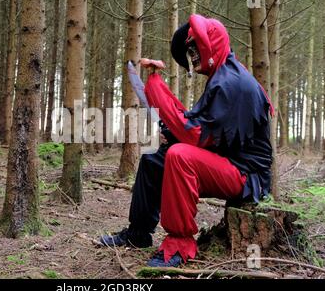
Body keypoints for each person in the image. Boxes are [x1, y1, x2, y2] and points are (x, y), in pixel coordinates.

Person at [99, 14, 274, 268]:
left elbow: (196, 135)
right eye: (189, 49)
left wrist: (158, 92)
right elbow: (207, 126)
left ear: (211, 44)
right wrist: (170, 132)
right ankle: (138, 233)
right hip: (226, 161)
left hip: (246, 175)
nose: (191, 55)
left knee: (180, 155)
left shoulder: (231, 82)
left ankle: (180, 243)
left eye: (195, 47)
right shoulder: (222, 76)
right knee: (154, 158)